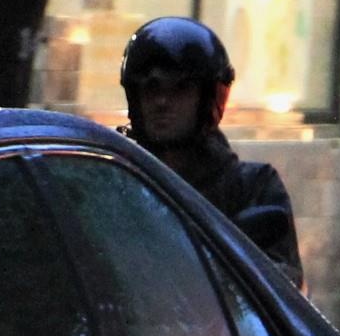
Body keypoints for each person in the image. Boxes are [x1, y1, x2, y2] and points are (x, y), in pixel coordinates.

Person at [118, 17, 305, 285]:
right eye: (150, 88)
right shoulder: (115, 183)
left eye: (180, 89)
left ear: (208, 98)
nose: (161, 101)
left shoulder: (253, 189)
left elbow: (282, 290)